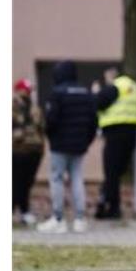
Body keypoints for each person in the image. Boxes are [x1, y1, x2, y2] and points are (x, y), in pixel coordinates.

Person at [39, 61, 101, 234]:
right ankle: (80, 219)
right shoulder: (86, 94)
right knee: (77, 178)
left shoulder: (57, 94)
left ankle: (58, 219)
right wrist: (86, 142)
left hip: (59, 145)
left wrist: (51, 138)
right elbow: (94, 122)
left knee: (57, 178)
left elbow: (50, 121)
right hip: (79, 145)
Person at [93, 67, 136, 219]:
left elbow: (98, 103)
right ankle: (107, 201)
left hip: (114, 134)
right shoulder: (135, 87)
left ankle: (112, 208)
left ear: (111, 75)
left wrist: (96, 91)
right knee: (119, 171)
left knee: (111, 172)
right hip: (132, 133)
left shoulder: (115, 87)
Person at [12, 78, 46, 226]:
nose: (28, 92)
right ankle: (15, 210)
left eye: (29, 90)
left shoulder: (35, 108)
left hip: (34, 150)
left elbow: (42, 127)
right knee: (15, 182)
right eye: (26, 89)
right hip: (17, 150)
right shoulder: (12, 107)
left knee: (27, 183)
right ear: (18, 90)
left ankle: (24, 211)